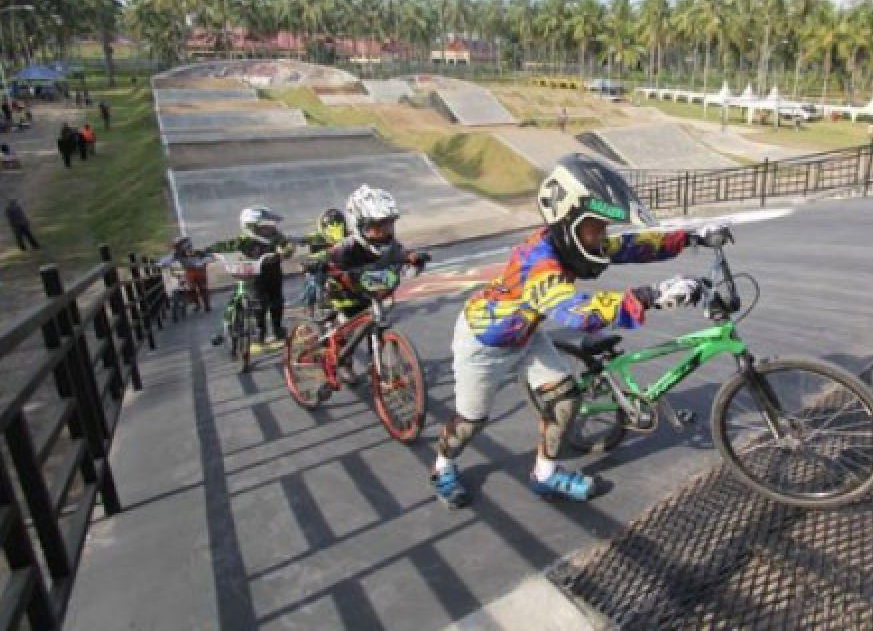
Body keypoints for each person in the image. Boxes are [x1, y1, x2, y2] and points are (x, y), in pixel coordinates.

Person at [428, 153, 707, 508]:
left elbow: (630, 245)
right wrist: (649, 296)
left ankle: (545, 474)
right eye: (596, 227)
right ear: (568, 221)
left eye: (602, 227)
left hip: (525, 335)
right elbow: (574, 312)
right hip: (485, 344)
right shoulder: (538, 261)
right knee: (471, 422)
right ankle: (443, 465)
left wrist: (690, 237)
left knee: (566, 400)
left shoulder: (572, 241)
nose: (602, 236)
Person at [308, 187, 428, 384]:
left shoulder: (390, 244)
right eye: (376, 228)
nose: (383, 234)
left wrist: (412, 257)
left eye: (388, 226)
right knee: (344, 328)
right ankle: (344, 363)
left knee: (373, 325)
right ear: (359, 226)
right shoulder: (348, 246)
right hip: (343, 294)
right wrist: (316, 261)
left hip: (368, 292)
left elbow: (401, 253)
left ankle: (378, 365)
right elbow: (327, 255)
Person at [209, 206, 293, 351]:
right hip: (254, 275)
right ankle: (260, 333)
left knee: (276, 301)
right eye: (264, 227)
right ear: (252, 227)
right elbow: (225, 245)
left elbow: (287, 245)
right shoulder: (244, 240)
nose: (269, 229)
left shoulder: (276, 236)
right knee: (259, 303)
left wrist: (285, 252)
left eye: (269, 226)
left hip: (273, 272)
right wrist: (204, 251)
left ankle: (278, 329)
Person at [170, 235, 213, 312]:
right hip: (189, 272)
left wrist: (203, 261)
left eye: (179, 245)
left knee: (203, 288)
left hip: (200, 271)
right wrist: (161, 263)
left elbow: (209, 256)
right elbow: (169, 259)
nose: (178, 248)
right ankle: (197, 304)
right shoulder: (177, 254)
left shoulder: (197, 252)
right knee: (191, 289)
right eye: (177, 246)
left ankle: (207, 305)